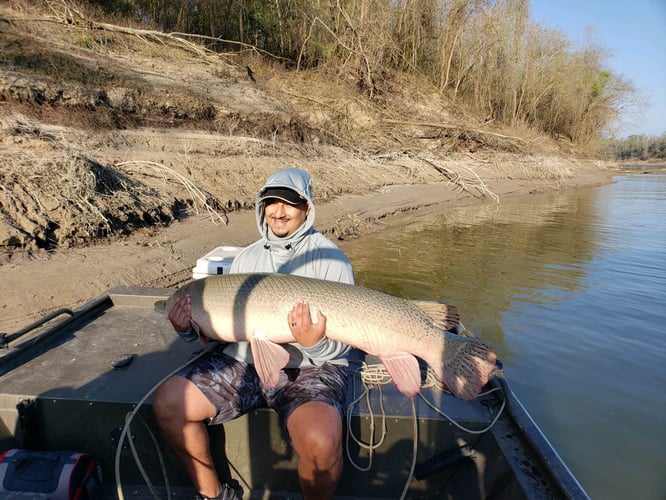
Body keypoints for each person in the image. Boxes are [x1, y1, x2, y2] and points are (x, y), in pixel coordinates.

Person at [153, 168, 355, 500]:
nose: (278, 211)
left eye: (289, 203)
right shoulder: (246, 257)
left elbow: (341, 346)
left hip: (310, 367)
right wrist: (187, 330)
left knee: (321, 441)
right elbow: (225, 331)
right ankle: (214, 495)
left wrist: (313, 344)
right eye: (271, 203)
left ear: (307, 207)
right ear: (261, 207)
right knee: (170, 402)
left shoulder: (332, 261)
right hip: (243, 360)